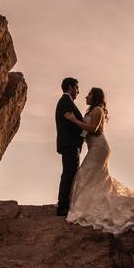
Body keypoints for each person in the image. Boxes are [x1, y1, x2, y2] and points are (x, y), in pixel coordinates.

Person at [63, 87, 134, 246]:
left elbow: (94, 129)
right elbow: (85, 134)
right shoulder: (91, 111)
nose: (85, 96)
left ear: (95, 97)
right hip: (94, 148)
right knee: (93, 179)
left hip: (100, 148)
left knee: (84, 174)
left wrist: (74, 120)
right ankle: (87, 204)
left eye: (88, 94)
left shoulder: (97, 110)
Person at [54, 77, 85, 217]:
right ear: (70, 87)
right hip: (70, 144)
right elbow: (70, 125)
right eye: (77, 88)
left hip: (69, 144)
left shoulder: (66, 102)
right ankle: (63, 207)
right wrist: (84, 133)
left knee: (70, 172)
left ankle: (65, 204)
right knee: (69, 173)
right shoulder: (66, 103)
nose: (78, 91)